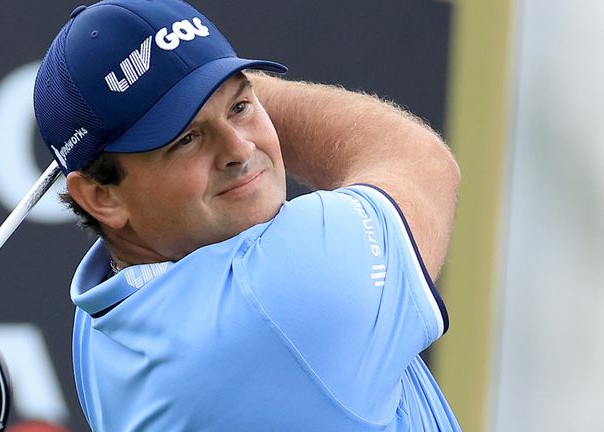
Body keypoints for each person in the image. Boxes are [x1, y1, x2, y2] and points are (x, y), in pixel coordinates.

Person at [33, 0, 461, 430]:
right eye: (185, 139)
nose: (238, 149)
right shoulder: (280, 294)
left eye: (240, 107)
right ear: (100, 197)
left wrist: (191, 80)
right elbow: (421, 163)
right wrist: (216, 80)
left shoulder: (100, 319)